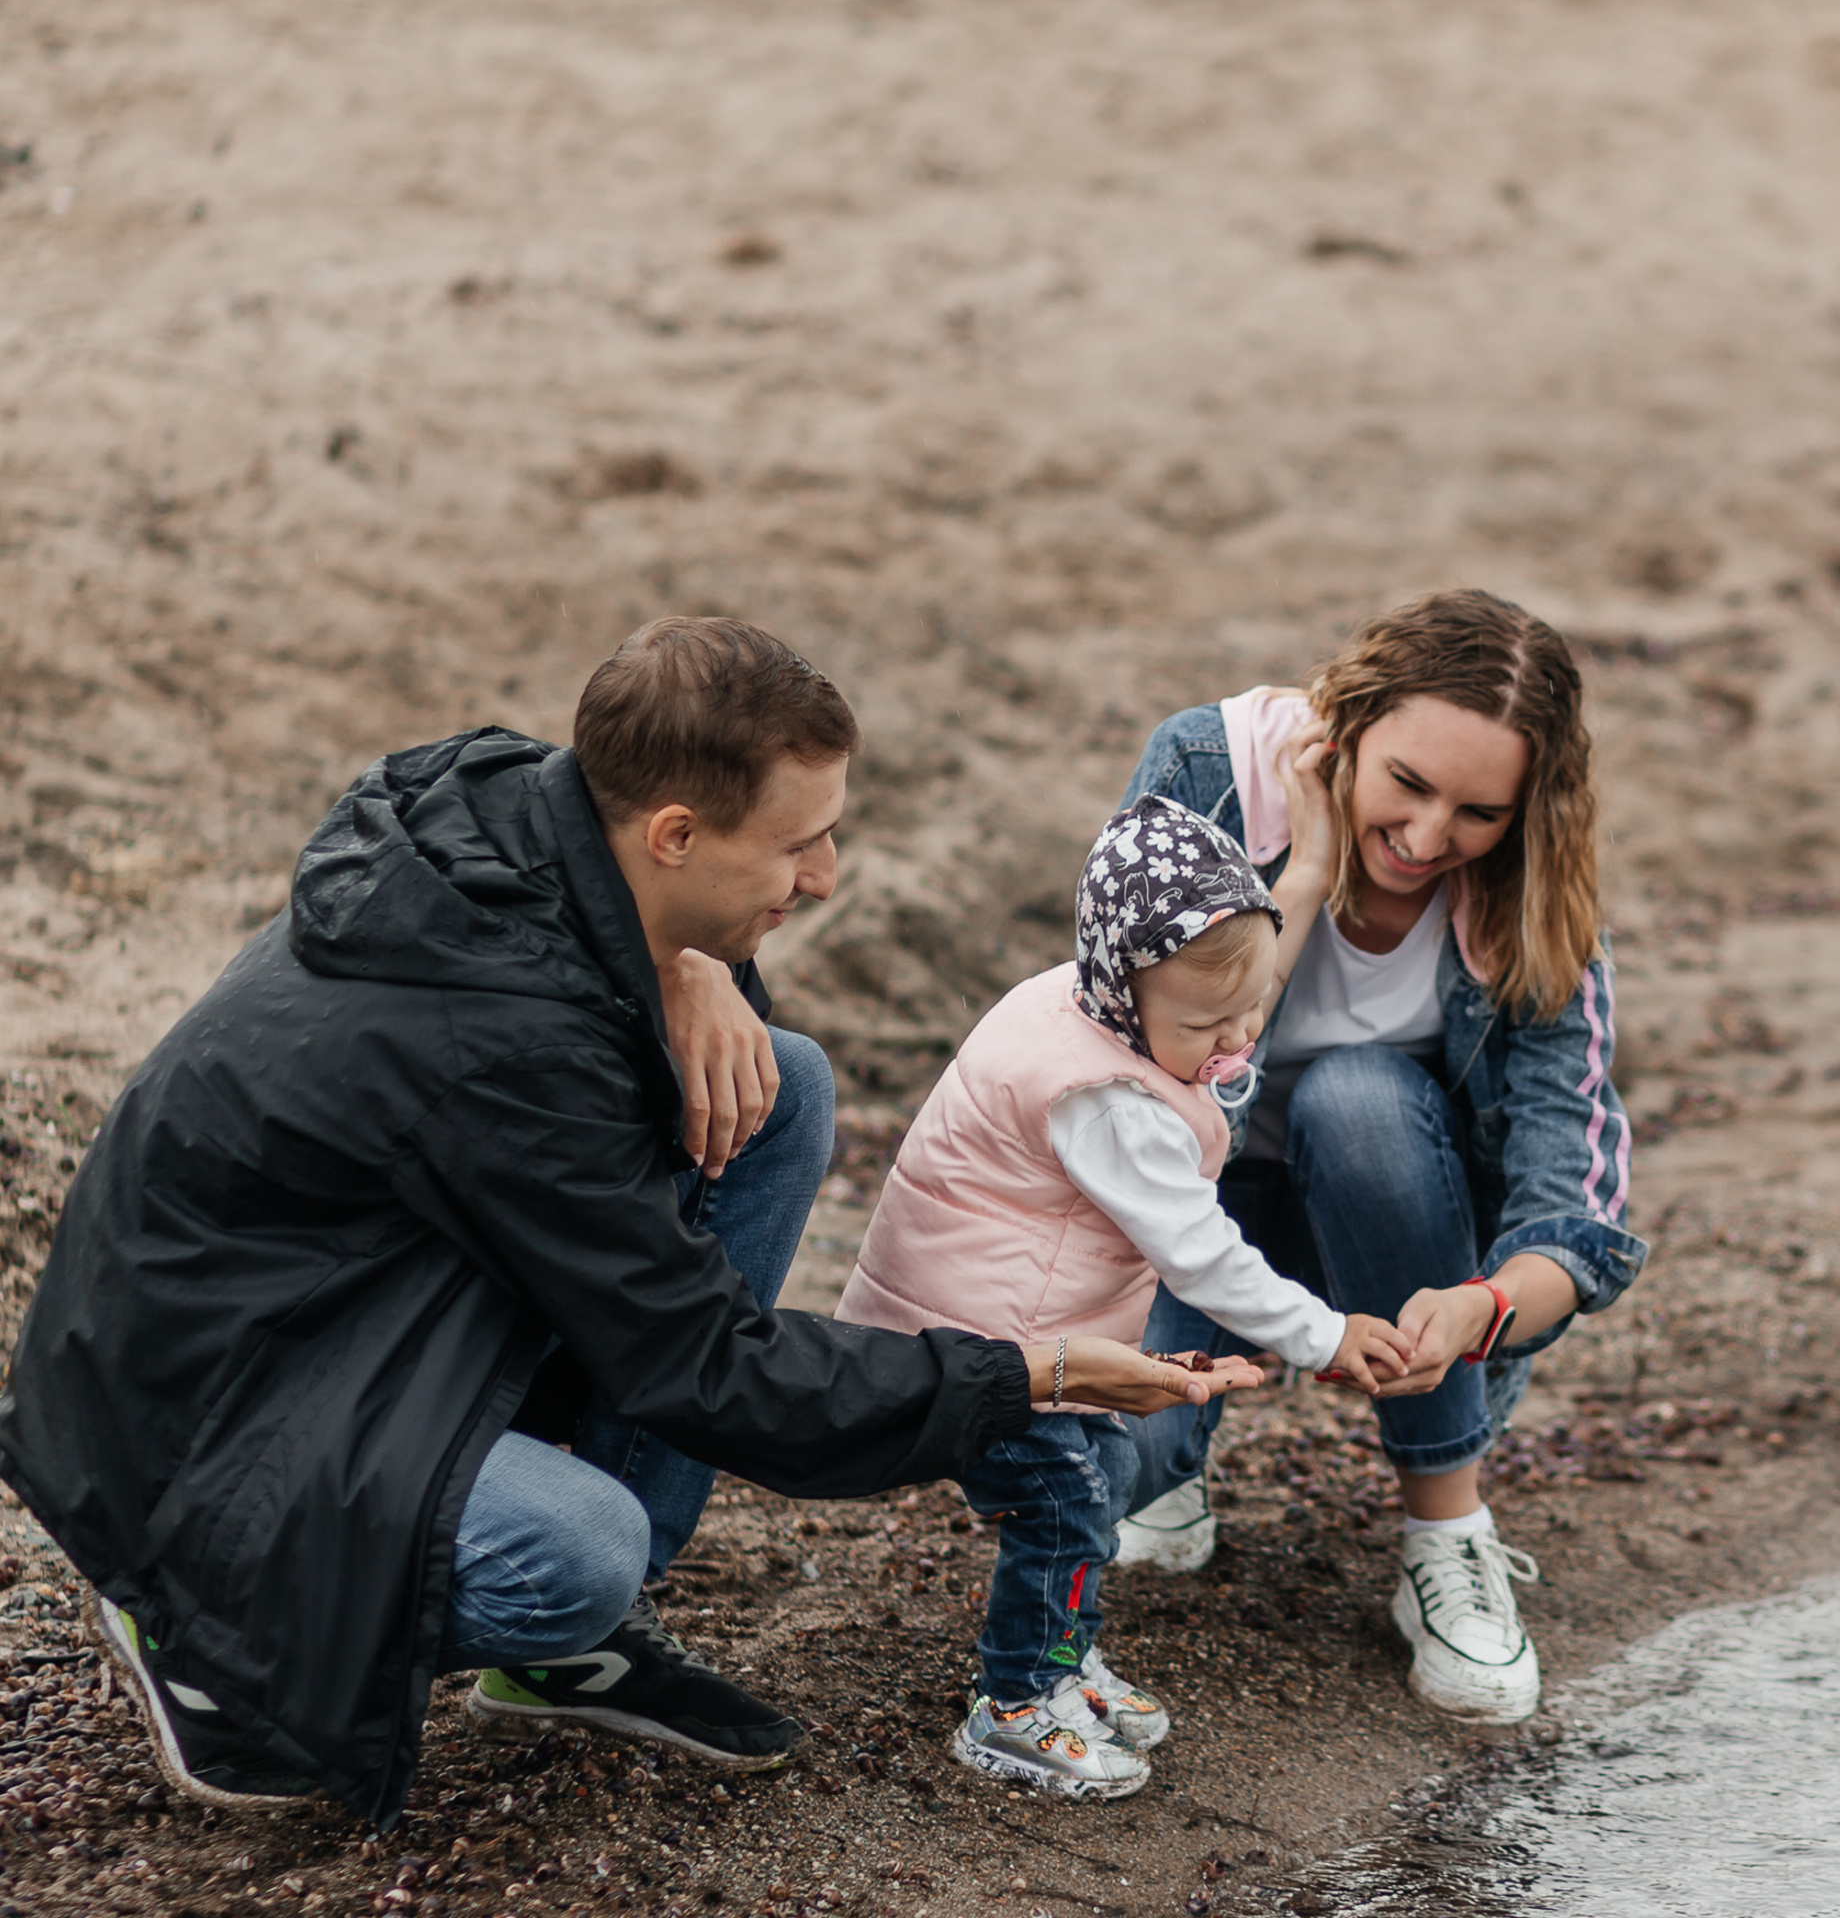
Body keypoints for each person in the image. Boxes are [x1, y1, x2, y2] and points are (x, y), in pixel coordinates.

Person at [0, 617, 1243, 1823]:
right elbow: (708, 1371)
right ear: (674, 834)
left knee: (779, 1084)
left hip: (333, 1305)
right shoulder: (507, 1052)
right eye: (799, 845)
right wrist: (1024, 1375)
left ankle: (562, 1653)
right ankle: (204, 1624)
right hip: (185, 1425)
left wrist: (692, 965)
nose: (825, 877)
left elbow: (605, 954)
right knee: (573, 1553)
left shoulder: (505, 808)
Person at [1107, 589, 1646, 1724]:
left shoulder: (1532, 900)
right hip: (1189, 1205)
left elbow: (1576, 1200)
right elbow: (1120, 1069)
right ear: (1344, 728)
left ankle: (1448, 1532)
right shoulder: (1210, 771)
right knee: (1122, 1471)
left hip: (1400, 1227)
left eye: (1478, 811)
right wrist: (1299, 878)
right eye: (1405, 782)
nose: (1428, 836)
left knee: (1356, 1096)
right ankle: (1175, 1457)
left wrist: (1481, 1306)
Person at [837, 798, 1413, 1797]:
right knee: (1062, 1502)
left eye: (1250, 1008)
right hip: (985, 1334)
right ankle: (1015, 1702)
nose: (1235, 1039)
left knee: (1094, 1479)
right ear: (1121, 989)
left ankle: (1065, 1662)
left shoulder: (1084, 1007)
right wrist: (1322, 1335)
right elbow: (1198, 1255)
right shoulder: (1102, 1097)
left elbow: (1220, 1014)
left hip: (1035, 1315)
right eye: (1203, 1024)